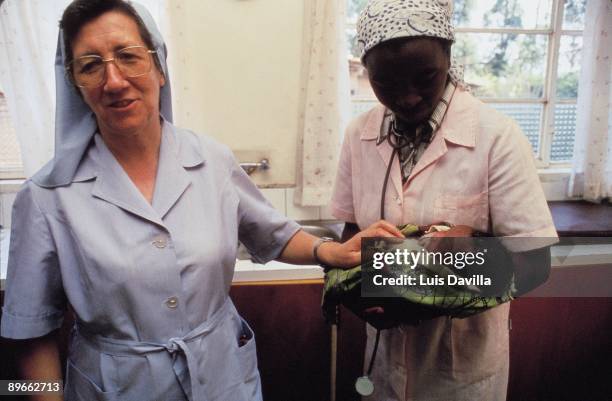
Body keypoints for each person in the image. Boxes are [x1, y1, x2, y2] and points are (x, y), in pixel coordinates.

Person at [0, 1, 403, 400]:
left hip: (224, 378)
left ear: (159, 67)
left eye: (128, 56)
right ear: (75, 84)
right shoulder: (46, 197)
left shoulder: (212, 161)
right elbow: (30, 333)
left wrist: (328, 251)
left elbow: (270, 233)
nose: (114, 80)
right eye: (90, 65)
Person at [330, 0, 559, 400]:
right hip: (383, 362)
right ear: (365, 71)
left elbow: (535, 262)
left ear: (449, 58)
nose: (408, 98)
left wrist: (454, 271)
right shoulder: (358, 135)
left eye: (425, 77)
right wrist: (354, 292)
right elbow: (351, 233)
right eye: (386, 83)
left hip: (461, 372)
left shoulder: (497, 137)